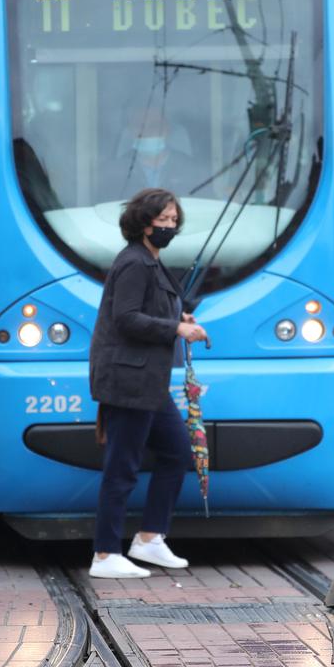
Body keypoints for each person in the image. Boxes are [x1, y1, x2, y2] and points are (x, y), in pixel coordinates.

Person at [88, 187, 208, 579]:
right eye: (163, 220)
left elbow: (147, 310)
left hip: (147, 382)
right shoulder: (134, 263)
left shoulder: (150, 261)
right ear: (144, 223)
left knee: (177, 453)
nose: (170, 226)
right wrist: (176, 328)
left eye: (174, 220)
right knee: (121, 468)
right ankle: (105, 554)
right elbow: (126, 318)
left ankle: (150, 537)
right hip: (128, 380)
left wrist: (179, 319)